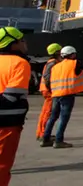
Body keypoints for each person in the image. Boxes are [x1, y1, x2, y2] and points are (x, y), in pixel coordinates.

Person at [40, 44, 83, 148]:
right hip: (67, 94)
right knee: (63, 118)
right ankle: (58, 141)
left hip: (55, 94)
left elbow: (48, 81)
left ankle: (45, 139)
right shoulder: (74, 64)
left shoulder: (56, 66)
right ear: (72, 55)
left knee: (53, 117)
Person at [0, 26, 30, 186]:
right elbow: (11, 97)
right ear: (13, 43)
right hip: (6, 125)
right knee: (2, 166)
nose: (25, 43)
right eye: (22, 40)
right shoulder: (19, 63)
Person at [36, 43, 62, 143]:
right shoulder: (53, 63)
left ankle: (41, 133)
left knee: (45, 112)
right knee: (48, 113)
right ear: (57, 52)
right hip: (49, 91)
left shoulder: (52, 62)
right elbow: (47, 77)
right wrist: (51, 89)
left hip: (46, 90)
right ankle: (43, 134)